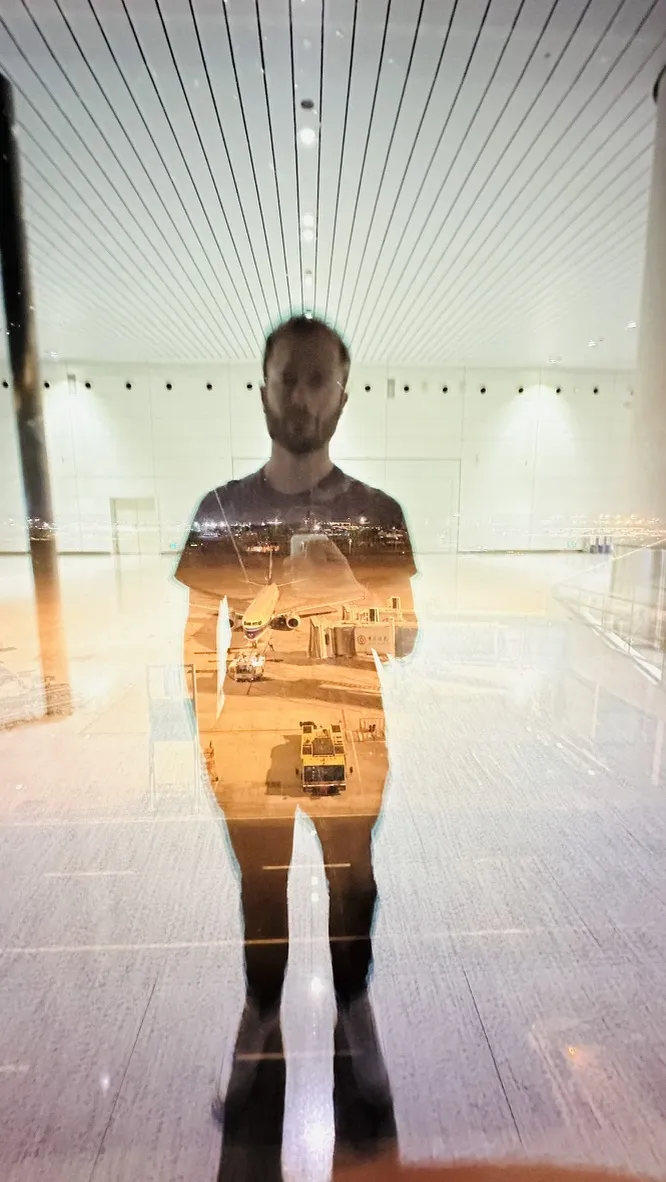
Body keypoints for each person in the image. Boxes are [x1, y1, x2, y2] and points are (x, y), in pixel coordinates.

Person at [174, 314, 419, 1180]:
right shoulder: (221, 513)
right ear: (264, 387)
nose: (303, 395)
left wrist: (345, 585)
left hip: (350, 742)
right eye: (289, 377)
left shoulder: (378, 516)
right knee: (264, 893)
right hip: (251, 746)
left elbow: (402, 636)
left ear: (343, 394)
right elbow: (197, 637)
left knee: (353, 886)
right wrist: (210, 733)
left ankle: (355, 1009)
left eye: (320, 380)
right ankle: (259, 1015)